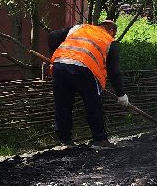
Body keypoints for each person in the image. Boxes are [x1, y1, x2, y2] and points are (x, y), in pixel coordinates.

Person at [47, 19, 127, 148]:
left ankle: (65, 141)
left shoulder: (80, 28)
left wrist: (54, 56)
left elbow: (53, 35)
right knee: (93, 104)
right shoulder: (110, 41)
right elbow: (114, 72)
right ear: (112, 30)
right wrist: (121, 95)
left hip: (59, 66)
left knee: (63, 105)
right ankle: (100, 140)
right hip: (85, 68)